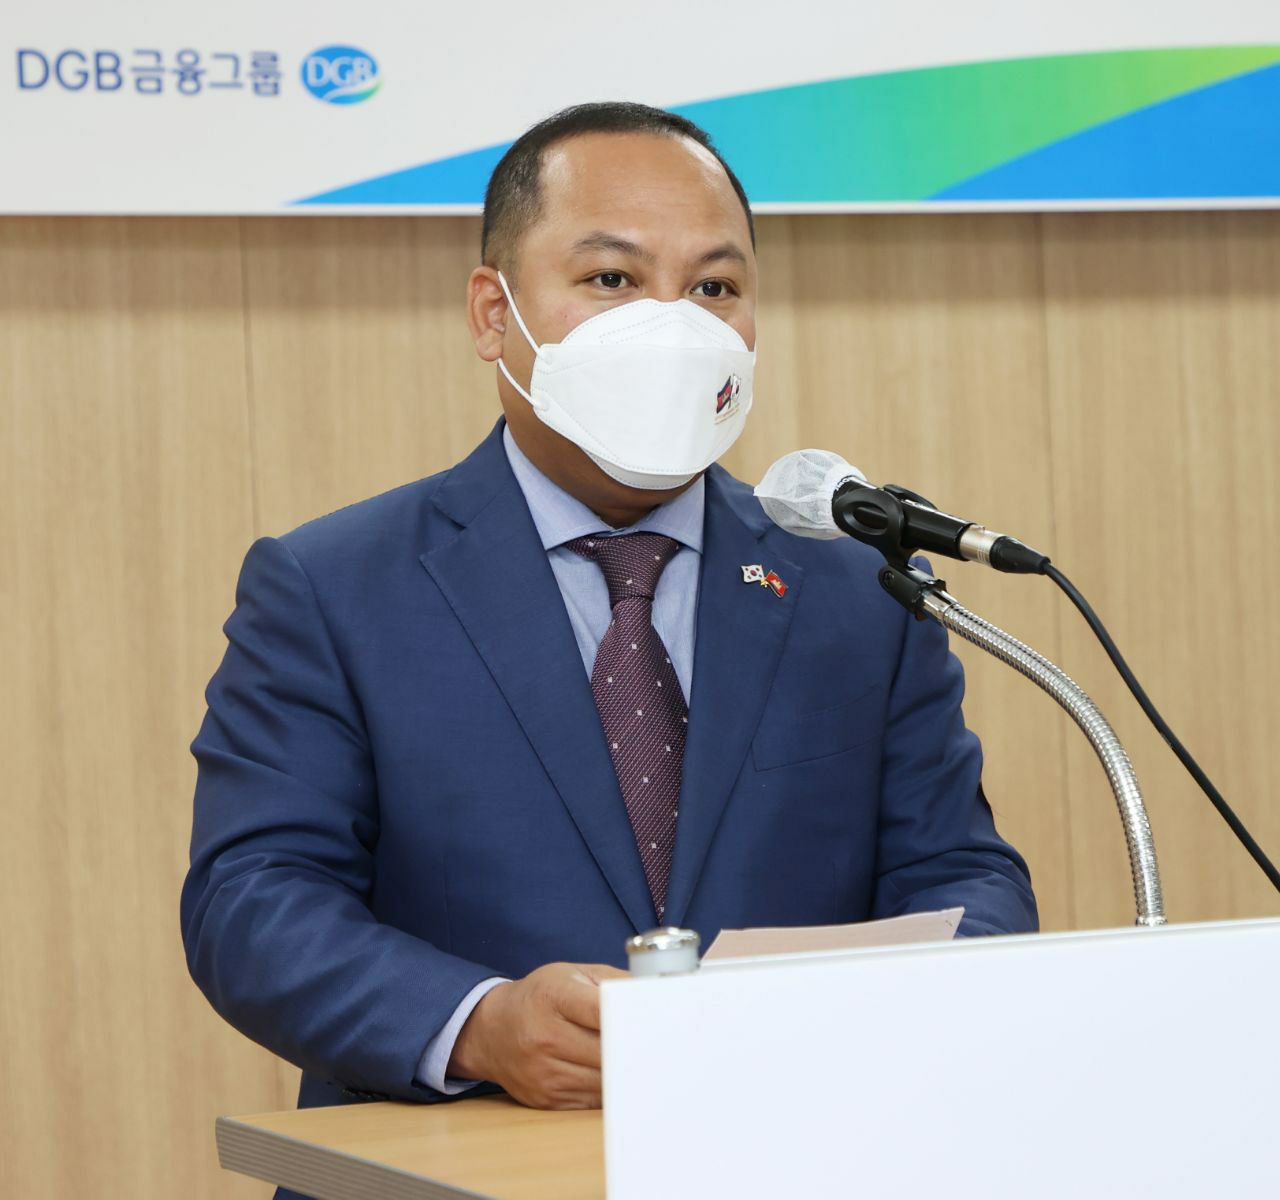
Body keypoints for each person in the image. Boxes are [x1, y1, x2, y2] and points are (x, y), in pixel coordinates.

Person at [182, 100, 1036, 1149]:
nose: (671, 327)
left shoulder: (859, 586)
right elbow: (253, 903)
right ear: (493, 315)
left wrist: (871, 1018)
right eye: (611, 279)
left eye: (713, 288)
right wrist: (480, 1025)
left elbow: (962, 877)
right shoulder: (332, 586)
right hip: (458, 1158)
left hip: (795, 1146)